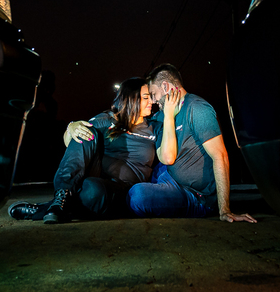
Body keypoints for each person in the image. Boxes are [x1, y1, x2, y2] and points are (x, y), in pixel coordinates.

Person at [64, 64, 256, 223]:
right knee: (122, 185)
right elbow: (132, 116)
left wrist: (224, 209)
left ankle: (96, 204)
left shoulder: (197, 109)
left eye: (153, 95)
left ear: (166, 87)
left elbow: (219, 156)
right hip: (169, 178)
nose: (154, 101)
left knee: (138, 196)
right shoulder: (159, 116)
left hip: (195, 194)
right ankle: (66, 199)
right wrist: (72, 125)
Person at [9, 77, 169, 224]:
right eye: (146, 98)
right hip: (98, 176)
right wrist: (71, 128)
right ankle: (63, 193)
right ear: (131, 99)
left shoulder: (154, 127)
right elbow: (70, 144)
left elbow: (166, 154)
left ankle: (46, 208)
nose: (152, 102)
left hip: (124, 189)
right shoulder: (109, 119)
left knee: (92, 190)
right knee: (86, 131)